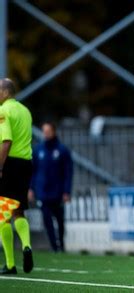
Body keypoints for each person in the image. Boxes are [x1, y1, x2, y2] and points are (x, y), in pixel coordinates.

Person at [0, 78, 33, 274]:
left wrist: (0, 166)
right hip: (26, 164)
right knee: (19, 211)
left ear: (5, 92)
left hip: (9, 164)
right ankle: (27, 245)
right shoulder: (26, 111)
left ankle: (11, 264)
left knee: (2, 217)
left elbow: (6, 141)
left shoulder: (3, 111)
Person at [28, 122, 73, 252]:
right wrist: (31, 188)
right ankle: (54, 246)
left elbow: (68, 173)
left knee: (60, 220)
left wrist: (67, 191)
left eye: (48, 131)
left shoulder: (62, 151)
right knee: (47, 220)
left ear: (54, 132)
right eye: (44, 131)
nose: (46, 134)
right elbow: (33, 171)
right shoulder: (38, 150)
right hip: (42, 192)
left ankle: (61, 244)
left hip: (58, 192)